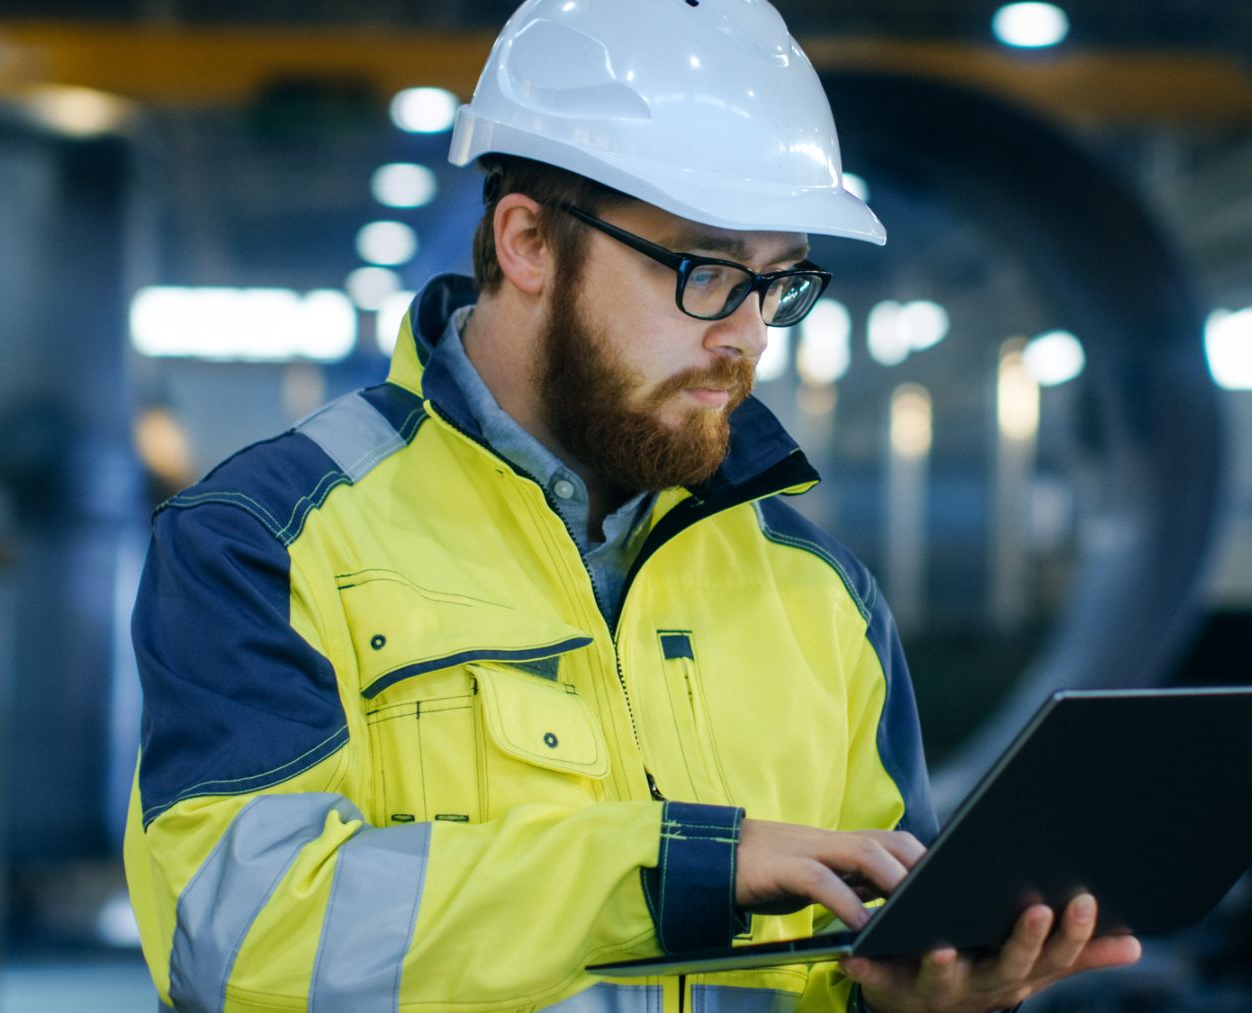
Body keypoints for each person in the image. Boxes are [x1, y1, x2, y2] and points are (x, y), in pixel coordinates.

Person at [122, 1, 1139, 1009]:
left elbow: (857, 953)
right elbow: (242, 938)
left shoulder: (824, 597)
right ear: (526, 243)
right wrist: (674, 868)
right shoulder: (268, 539)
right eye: (704, 270)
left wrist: (914, 1001)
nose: (746, 335)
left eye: (777, 283)